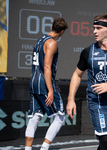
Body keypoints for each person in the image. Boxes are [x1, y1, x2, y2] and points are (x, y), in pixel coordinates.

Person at [66, 14, 107, 150]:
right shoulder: (88, 52)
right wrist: (70, 99)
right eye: (94, 28)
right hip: (97, 101)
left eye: (98, 28)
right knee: (106, 139)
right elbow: (77, 75)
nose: (94, 31)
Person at [25, 18, 68, 150]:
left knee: (35, 117)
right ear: (61, 32)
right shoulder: (52, 43)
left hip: (34, 83)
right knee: (60, 117)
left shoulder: (40, 40)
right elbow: (47, 67)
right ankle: (44, 148)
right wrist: (50, 89)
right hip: (44, 84)